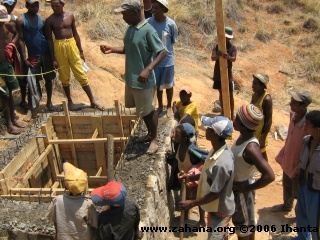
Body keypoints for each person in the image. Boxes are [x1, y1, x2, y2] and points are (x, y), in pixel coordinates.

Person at [100, 0, 166, 154]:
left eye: (125, 14)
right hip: (132, 79)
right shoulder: (130, 28)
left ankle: (155, 138)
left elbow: (162, 52)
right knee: (142, 110)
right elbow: (129, 48)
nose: (123, 17)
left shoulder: (148, 30)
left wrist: (148, 69)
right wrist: (112, 49)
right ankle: (149, 134)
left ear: (135, 13)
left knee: (149, 111)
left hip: (144, 80)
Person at [179, 116, 235, 240]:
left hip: (220, 211)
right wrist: (190, 178)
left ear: (214, 134)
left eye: (208, 127)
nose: (205, 129)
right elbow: (207, 173)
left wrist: (192, 203)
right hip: (214, 208)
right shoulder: (215, 150)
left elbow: (215, 194)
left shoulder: (221, 163)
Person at [45, 0, 104, 111]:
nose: (54, 8)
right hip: (59, 46)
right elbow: (49, 40)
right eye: (52, 6)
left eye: (57, 6)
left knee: (80, 73)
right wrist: (53, 59)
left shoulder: (70, 16)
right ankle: (70, 102)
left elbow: (75, 33)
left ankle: (92, 101)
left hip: (71, 45)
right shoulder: (49, 20)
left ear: (63, 5)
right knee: (64, 75)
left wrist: (81, 51)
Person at [231, 104, 275, 240]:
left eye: (237, 119)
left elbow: (270, 175)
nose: (233, 120)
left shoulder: (251, 147)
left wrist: (247, 188)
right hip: (240, 190)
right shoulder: (242, 138)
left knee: (244, 229)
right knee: (246, 225)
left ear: (244, 125)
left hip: (243, 192)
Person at [272, 89, 312, 213]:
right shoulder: (293, 115)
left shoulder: (308, 123)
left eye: (294, 103)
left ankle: (300, 214)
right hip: (289, 157)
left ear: (303, 106)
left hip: (299, 163)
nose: (291, 104)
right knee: (287, 184)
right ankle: (286, 205)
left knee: (298, 190)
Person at [16, 0, 56, 121]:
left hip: (45, 54)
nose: (35, 8)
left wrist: (52, 57)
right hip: (33, 56)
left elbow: (49, 39)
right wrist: (24, 58)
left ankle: (49, 102)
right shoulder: (21, 20)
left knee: (49, 79)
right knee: (33, 82)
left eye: (37, 5)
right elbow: (21, 40)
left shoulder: (42, 20)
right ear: (27, 6)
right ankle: (31, 108)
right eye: (32, 6)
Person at [46, 162, 98, 240]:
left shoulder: (57, 201)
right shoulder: (87, 204)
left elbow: (54, 221)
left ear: (66, 184)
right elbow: (95, 224)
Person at [148, 0, 178, 118]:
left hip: (168, 61)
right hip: (154, 61)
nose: (153, 10)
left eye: (156, 8)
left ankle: (169, 106)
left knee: (169, 85)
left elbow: (173, 40)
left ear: (163, 10)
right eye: (153, 7)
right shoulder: (149, 22)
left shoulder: (171, 24)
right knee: (158, 86)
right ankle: (160, 106)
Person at [172, 123, 206, 226]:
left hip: (194, 179)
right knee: (185, 196)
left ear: (184, 138)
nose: (174, 136)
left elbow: (206, 157)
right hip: (185, 179)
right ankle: (186, 215)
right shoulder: (179, 146)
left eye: (177, 134)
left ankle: (202, 221)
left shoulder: (192, 150)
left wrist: (195, 171)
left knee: (199, 199)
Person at [293, 110, 320, 240]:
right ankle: (302, 237)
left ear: (317, 129)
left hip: (316, 190)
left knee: (315, 220)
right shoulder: (307, 141)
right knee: (301, 213)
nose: (304, 127)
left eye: (307, 125)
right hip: (304, 184)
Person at [0, 5, 22, 134]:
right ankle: (8, 124)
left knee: (11, 91)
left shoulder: (6, 25)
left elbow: (17, 33)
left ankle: (13, 118)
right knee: (4, 94)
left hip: (6, 64)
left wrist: (12, 44)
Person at [211, 26, 237, 120]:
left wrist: (228, 57)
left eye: (228, 38)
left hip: (228, 75)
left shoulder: (233, 48)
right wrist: (218, 55)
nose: (226, 39)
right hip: (218, 74)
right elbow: (212, 58)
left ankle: (232, 113)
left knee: (230, 94)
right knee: (221, 93)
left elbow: (234, 59)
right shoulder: (218, 46)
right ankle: (223, 112)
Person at [251, 73, 273, 161]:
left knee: (262, 153)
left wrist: (263, 137)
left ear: (262, 86)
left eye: (255, 84)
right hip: (252, 128)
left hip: (260, 131)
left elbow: (269, 120)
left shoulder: (266, 99)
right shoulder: (254, 95)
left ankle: (267, 173)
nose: (253, 85)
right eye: (253, 83)